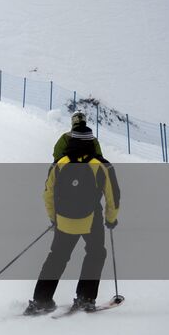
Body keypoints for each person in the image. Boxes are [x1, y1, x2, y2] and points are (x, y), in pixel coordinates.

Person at [26, 129, 121, 314]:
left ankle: (41, 300)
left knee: (57, 257)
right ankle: (85, 298)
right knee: (95, 254)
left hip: (64, 220)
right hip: (91, 220)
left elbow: (48, 194)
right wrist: (111, 219)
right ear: (92, 143)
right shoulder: (101, 165)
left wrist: (54, 219)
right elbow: (113, 196)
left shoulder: (59, 164)